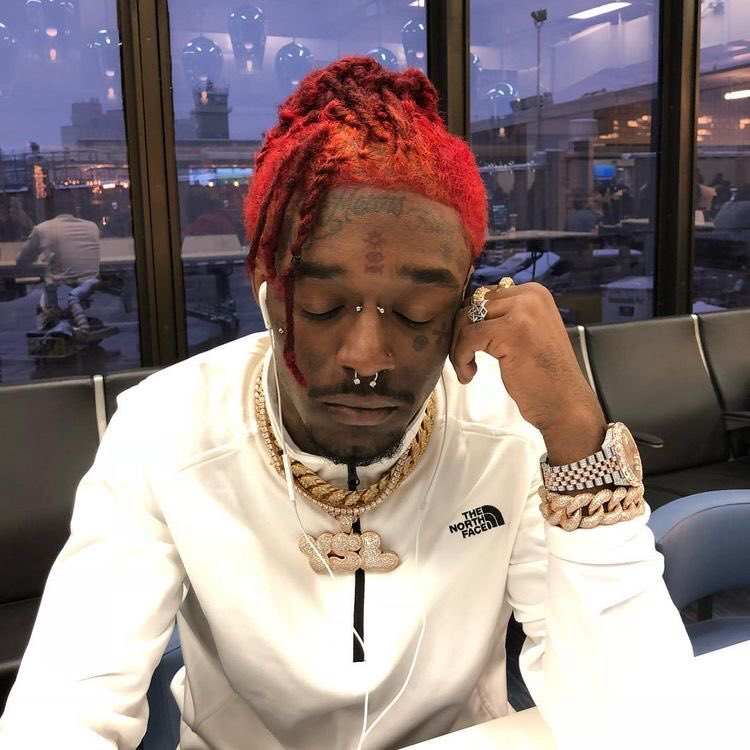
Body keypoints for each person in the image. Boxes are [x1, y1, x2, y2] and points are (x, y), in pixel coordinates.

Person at [0, 57, 691, 749]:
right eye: (322, 305)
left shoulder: (507, 425)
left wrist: (575, 433)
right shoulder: (167, 428)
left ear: (466, 302)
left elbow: (639, 722)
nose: (366, 355)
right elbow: (65, 703)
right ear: (267, 289)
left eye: (418, 312)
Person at [14, 191, 102, 333]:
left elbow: (23, 259)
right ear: (75, 207)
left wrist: (40, 255)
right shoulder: (92, 226)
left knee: (42, 308)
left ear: (49, 208)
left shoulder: (42, 229)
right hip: (90, 283)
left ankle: (50, 335)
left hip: (60, 288)